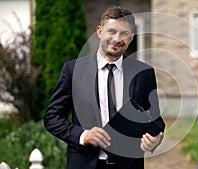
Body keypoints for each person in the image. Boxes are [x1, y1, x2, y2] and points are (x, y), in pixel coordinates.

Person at [44, 6, 165, 169]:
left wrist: (155, 140)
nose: (117, 38)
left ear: (130, 38)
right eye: (112, 31)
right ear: (100, 32)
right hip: (85, 164)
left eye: (124, 34)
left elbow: (155, 120)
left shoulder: (143, 73)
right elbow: (52, 117)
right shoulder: (73, 70)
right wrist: (83, 135)